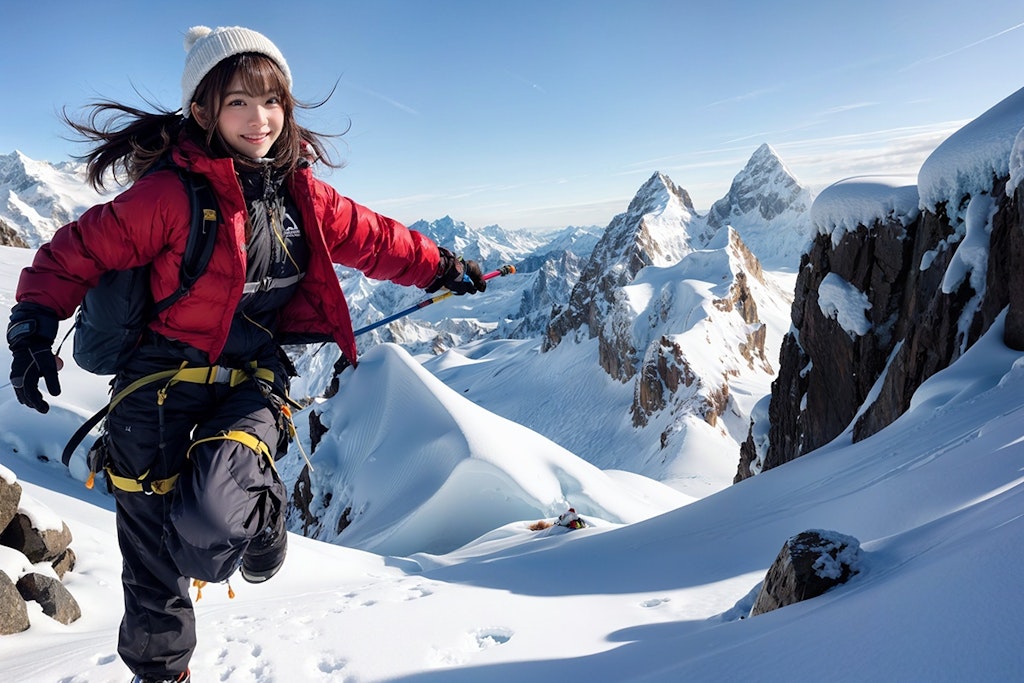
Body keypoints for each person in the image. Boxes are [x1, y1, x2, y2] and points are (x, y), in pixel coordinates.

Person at [5, 25, 485, 683]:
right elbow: (76, 251)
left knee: (207, 528)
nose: (260, 119)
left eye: (272, 101)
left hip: (249, 378)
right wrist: (31, 328)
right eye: (238, 102)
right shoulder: (169, 195)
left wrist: (439, 266)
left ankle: (264, 528)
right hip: (155, 381)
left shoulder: (299, 195)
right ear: (202, 110)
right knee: (151, 555)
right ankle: (162, 674)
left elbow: (374, 237)